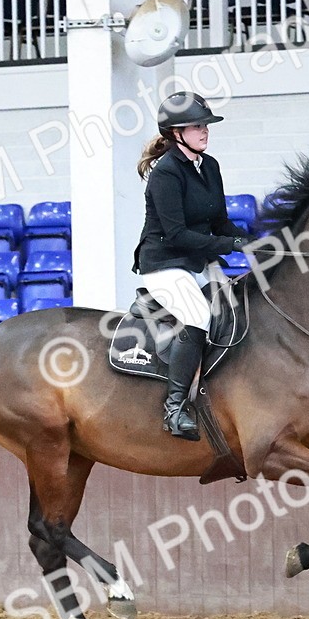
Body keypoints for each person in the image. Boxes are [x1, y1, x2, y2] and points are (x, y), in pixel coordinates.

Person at [132, 91, 253, 441]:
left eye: (205, 125)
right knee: (199, 317)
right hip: (165, 262)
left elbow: (220, 222)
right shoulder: (166, 174)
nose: (204, 131)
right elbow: (178, 234)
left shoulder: (209, 166)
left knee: (236, 308)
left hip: (198, 262)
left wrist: (255, 242)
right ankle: (174, 408)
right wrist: (230, 246)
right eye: (196, 126)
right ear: (175, 133)